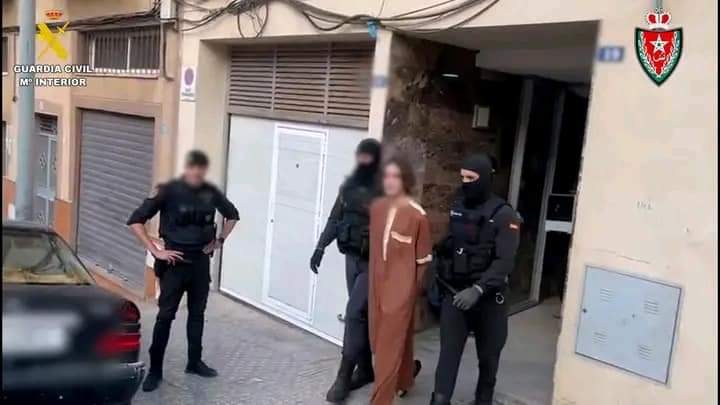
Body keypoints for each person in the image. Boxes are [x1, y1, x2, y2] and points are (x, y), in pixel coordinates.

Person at [127, 150, 239, 392]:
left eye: (201, 170)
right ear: (186, 169)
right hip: (174, 264)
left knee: (197, 315)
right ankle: (155, 370)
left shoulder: (211, 193)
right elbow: (135, 221)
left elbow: (232, 216)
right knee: (165, 317)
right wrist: (155, 251)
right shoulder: (167, 191)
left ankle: (194, 362)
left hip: (200, 262)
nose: (197, 174)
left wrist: (220, 240)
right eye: (193, 169)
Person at [430, 153, 521, 405]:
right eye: (462, 177)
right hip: (455, 294)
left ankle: (483, 399)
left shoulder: (504, 214)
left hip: (489, 300)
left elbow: (505, 262)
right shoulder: (458, 206)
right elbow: (451, 245)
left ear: (485, 178)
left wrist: (478, 289)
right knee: (448, 355)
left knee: (489, 358)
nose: (465, 183)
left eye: (471, 178)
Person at [309, 138, 382, 403]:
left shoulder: (386, 190)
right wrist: (320, 247)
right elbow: (335, 218)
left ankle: (343, 375)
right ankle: (365, 369)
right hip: (351, 258)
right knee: (359, 316)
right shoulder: (348, 187)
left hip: (374, 263)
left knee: (353, 312)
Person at [368, 156, 431, 405]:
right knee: (383, 339)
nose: (390, 181)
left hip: (401, 291)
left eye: (396, 176)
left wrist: (408, 293)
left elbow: (423, 261)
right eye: (387, 176)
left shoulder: (418, 216)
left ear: (406, 179)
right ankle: (404, 379)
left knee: (386, 348)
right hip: (377, 285)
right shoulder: (377, 209)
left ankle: (380, 401)